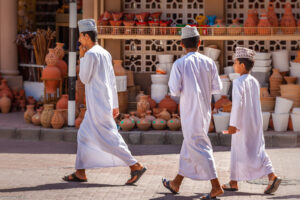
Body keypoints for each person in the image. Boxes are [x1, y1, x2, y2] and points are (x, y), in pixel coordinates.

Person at [63, 19, 146, 185]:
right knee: (84, 136)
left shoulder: (92, 54)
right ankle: (80, 172)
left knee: (110, 138)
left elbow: (84, 78)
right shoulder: (105, 52)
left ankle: (135, 165)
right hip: (103, 103)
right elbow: (112, 81)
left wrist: (82, 57)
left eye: (80, 36)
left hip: (98, 105)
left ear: (86, 36)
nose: (79, 40)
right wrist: (115, 105)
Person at [162, 25, 224, 200]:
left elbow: (173, 90)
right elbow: (217, 88)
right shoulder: (209, 62)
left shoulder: (179, 64)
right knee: (190, 145)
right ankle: (176, 182)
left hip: (190, 111)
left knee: (199, 146)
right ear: (200, 43)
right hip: (204, 111)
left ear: (182, 44)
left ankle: (216, 186)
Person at [222, 47, 281, 194]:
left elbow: (237, 105)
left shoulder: (237, 82)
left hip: (241, 123)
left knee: (239, 150)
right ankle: (234, 182)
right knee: (256, 149)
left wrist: (232, 125)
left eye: (235, 63)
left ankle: (271, 176)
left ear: (242, 65)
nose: (234, 66)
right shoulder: (254, 81)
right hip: (254, 121)